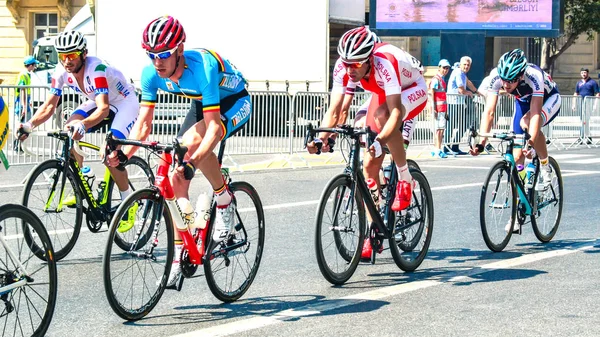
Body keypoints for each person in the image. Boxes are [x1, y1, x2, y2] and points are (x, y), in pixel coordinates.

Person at [106, 16, 251, 288]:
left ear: (180, 51)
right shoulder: (151, 74)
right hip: (203, 102)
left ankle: (224, 199)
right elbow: (144, 124)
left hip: (234, 101)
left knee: (192, 147)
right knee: (175, 178)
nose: (157, 61)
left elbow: (213, 131)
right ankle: (180, 253)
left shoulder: (203, 68)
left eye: (163, 54)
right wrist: (124, 153)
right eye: (151, 55)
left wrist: (193, 162)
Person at [307, 26, 428, 258]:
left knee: (383, 119)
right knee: (368, 162)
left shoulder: (385, 62)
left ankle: (404, 177)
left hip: (413, 88)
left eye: (356, 65)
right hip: (383, 92)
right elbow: (336, 109)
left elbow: (393, 113)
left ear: (368, 60)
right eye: (346, 63)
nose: (350, 69)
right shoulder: (345, 66)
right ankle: (373, 231)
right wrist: (321, 137)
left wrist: (381, 141)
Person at [15, 30, 139, 230]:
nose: (67, 61)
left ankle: (128, 202)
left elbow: (104, 108)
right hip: (96, 101)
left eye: (72, 55)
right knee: (67, 131)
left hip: (124, 103)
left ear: (83, 54)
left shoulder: (96, 69)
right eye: (63, 56)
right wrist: (29, 125)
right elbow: (49, 106)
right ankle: (83, 175)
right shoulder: (61, 73)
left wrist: (84, 124)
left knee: (109, 153)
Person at [470, 49, 561, 231]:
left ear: (521, 76)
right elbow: (489, 112)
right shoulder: (496, 77)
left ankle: (544, 166)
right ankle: (518, 213)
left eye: (511, 80)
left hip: (548, 99)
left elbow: (535, 114)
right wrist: (481, 142)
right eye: (504, 79)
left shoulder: (534, 76)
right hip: (522, 102)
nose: (506, 84)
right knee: (517, 157)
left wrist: (531, 142)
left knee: (527, 123)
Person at [446, 56, 483, 154]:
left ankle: (455, 146)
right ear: (461, 64)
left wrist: (476, 91)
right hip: (453, 102)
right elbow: (461, 89)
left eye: (468, 65)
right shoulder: (458, 72)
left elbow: (468, 82)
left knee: (463, 125)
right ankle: (446, 148)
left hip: (460, 103)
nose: (466, 67)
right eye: (465, 64)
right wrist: (469, 93)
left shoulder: (462, 73)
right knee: (451, 126)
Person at [13, 56, 38, 153]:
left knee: (23, 124)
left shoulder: (26, 74)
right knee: (21, 125)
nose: (35, 67)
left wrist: (29, 102)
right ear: (30, 65)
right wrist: (24, 106)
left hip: (25, 101)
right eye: (34, 65)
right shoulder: (23, 75)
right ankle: (17, 146)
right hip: (21, 102)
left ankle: (19, 146)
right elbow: (22, 91)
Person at [428, 59, 451, 158]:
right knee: (440, 130)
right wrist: (434, 108)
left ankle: (436, 149)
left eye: (447, 68)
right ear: (439, 68)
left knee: (440, 129)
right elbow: (432, 93)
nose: (446, 70)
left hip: (442, 108)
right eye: (444, 68)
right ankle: (438, 149)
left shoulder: (441, 79)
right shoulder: (436, 79)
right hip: (439, 108)